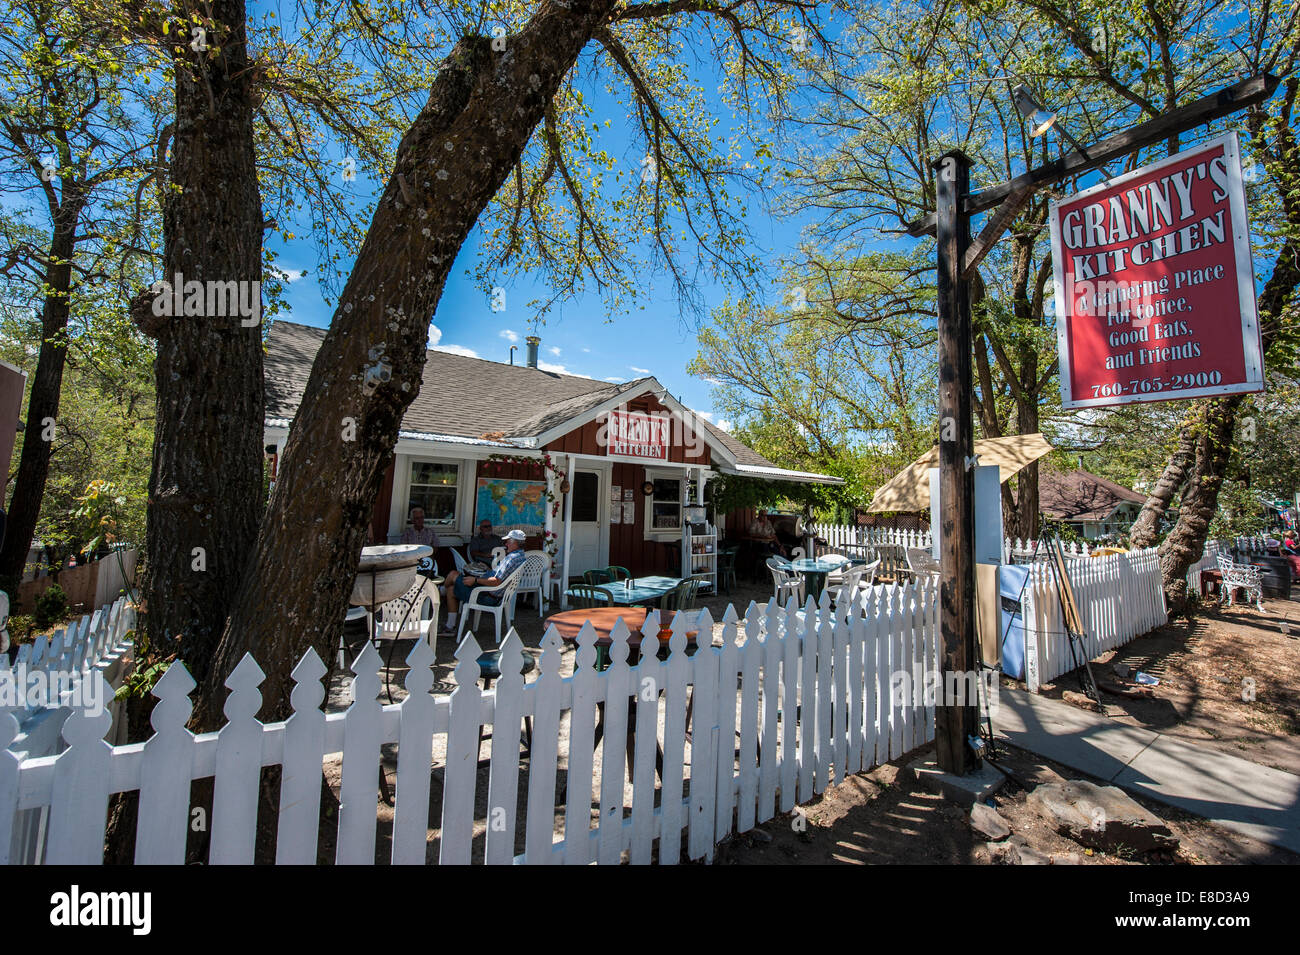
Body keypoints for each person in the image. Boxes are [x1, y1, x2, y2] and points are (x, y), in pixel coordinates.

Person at [440, 528, 528, 635]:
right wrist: (488, 571)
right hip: (496, 595)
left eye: (508, 541)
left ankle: (440, 591)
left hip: (487, 596)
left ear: (516, 543)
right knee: (452, 589)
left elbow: (496, 581)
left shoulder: (511, 559)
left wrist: (475, 580)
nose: (506, 544)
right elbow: (500, 576)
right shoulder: (521, 556)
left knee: (453, 575)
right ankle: (450, 627)